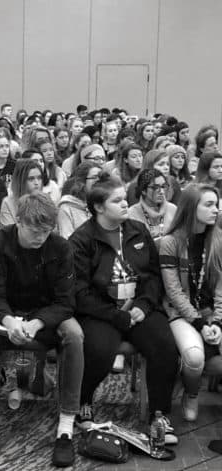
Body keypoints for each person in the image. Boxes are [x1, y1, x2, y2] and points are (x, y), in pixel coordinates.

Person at [0, 193, 84, 468]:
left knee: (74, 335)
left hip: (46, 315)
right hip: (6, 312)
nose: (40, 237)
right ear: (19, 221)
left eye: (46, 231)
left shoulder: (60, 247)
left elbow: (65, 302)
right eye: (34, 230)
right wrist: (10, 321)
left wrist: (37, 323)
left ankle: (66, 428)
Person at [69, 173, 179, 442]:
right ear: (98, 207)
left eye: (124, 199)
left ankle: (159, 415)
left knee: (165, 346)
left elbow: (153, 275)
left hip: (138, 307)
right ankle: (82, 402)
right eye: (116, 201)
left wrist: (143, 303)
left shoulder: (136, 230)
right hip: (101, 311)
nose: (123, 205)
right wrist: (115, 315)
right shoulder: (82, 240)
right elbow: (79, 292)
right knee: (98, 349)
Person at [159, 183, 222, 421]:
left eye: (216, 204)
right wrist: (200, 324)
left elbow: (220, 288)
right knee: (194, 356)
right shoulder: (171, 242)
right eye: (208, 204)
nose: (215, 210)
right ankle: (192, 393)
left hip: (211, 312)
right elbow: (173, 292)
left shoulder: (218, 240)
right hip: (181, 312)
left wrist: (218, 321)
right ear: (191, 207)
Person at [128, 169, 177, 246]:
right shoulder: (132, 214)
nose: (161, 191)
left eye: (163, 186)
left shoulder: (173, 209)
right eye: (155, 187)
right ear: (143, 190)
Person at [57, 161, 101, 239]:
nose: (99, 181)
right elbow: (67, 240)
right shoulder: (66, 207)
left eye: (101, 177)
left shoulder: (103, 204)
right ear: (82, 181)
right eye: (94, 177)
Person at [0, 159, 44, 226]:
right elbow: (9, 233)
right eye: (31, 179)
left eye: (39, 178)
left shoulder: (45, 202)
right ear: (21, 181)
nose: (37, 183)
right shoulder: (8, 203)